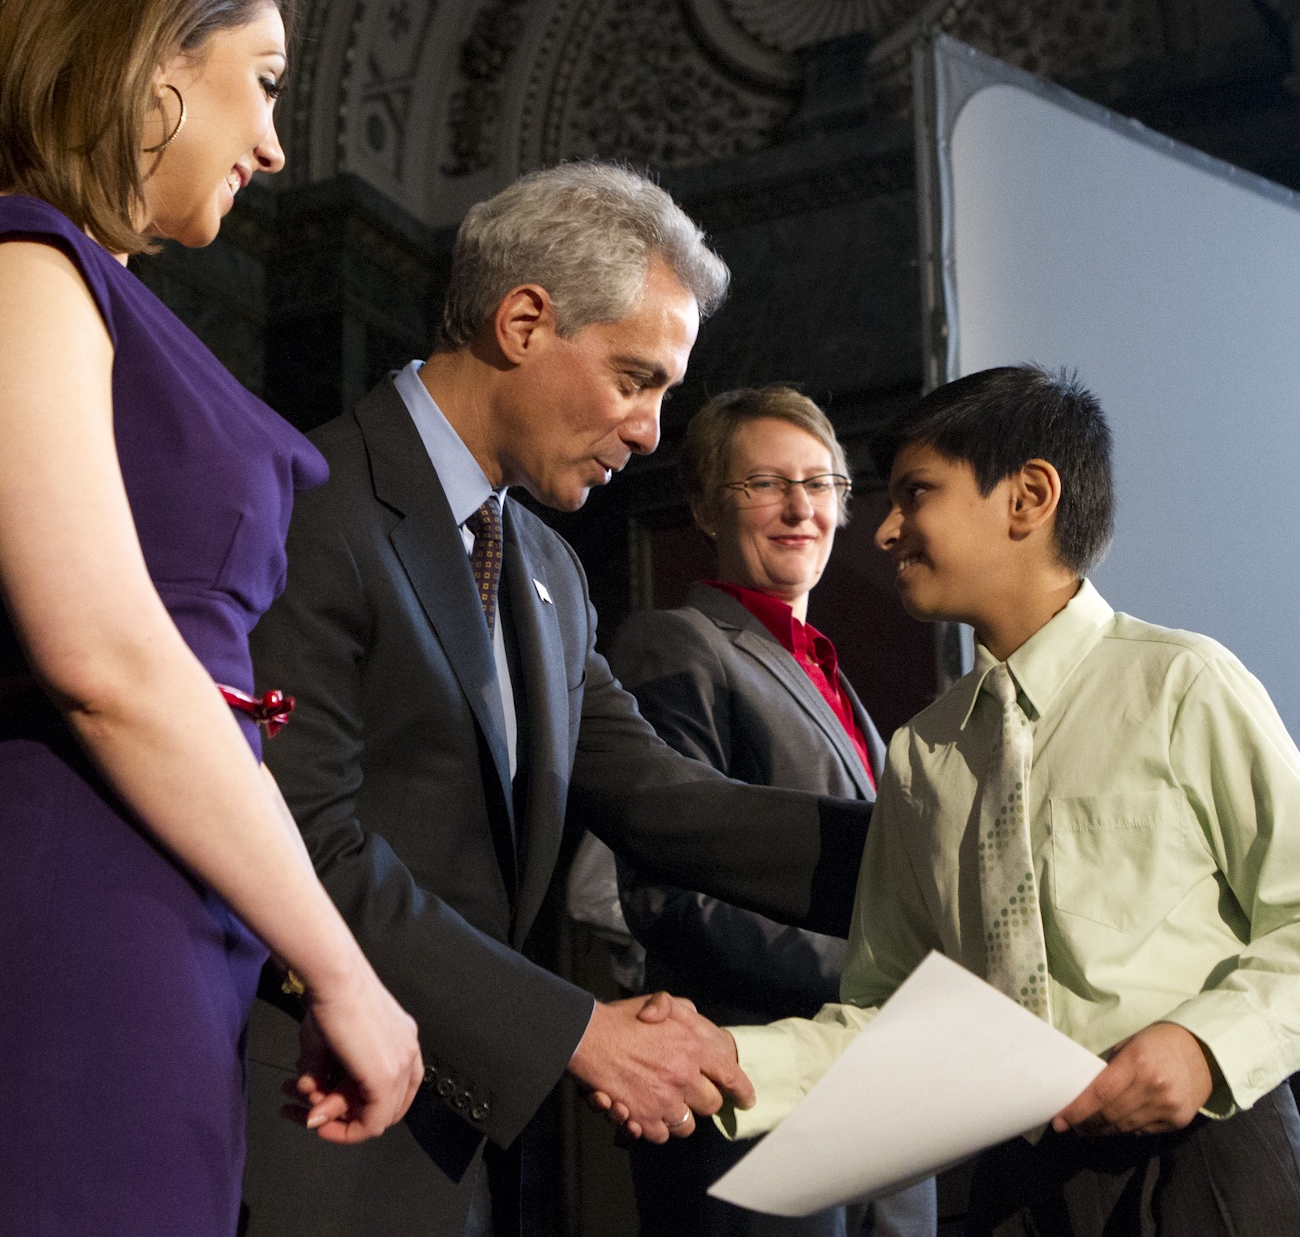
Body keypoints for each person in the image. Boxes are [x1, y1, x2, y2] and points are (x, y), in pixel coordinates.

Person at [241, 162, 873, 1237]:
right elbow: (303, 845)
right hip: (320, 1119)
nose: (649, 432)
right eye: (636, 379)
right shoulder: (308, 502)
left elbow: (663, 799)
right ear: (524, 321)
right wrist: (579, 1033)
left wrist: (937, 853)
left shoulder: (546, 566)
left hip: (474, 1147)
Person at [0, 0, 424, 1236]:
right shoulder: (17, 259)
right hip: (75, 904)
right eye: (263, 81)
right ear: (159, 61)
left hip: (164, 922)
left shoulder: (83, 284)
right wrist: (339, 961)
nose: (277, 144)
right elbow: (104, 653)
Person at [713, 366, 1300, 1236]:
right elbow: (886, 1019)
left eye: (915, 493)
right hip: (1010, 1185)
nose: (884, 530)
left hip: (1209, 1163)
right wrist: (728, 1058)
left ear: (1028, 495)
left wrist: (1202, 1045)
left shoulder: (1180, 684)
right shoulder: (922, 752)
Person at [609, 386, 937, 1236]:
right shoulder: (676, 642)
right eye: (764, 482)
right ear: (703, 506)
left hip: (880, 1100)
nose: (800, 506)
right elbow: (665, 892)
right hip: (749, 1101)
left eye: (820, 482)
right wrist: (873, 980)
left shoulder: (832, 673)